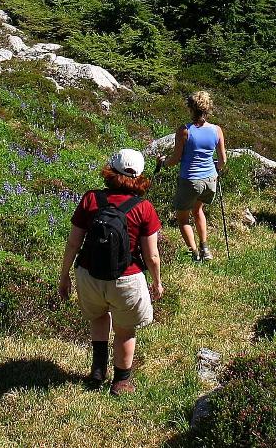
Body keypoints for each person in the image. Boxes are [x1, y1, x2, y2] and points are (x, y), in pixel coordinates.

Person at [59, 149, 164, 395]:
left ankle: (97, 371)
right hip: (126, 278)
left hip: (89, 274)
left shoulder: (91, 199)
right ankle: (121, 381)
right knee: (125, 329)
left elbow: (73, 243)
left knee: (98, 317)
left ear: (110, 170)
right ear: (138, 175)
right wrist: (157, 282)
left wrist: (64, 276)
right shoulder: (144, 208)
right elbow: (152, 256)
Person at [164, 90, 227, 261]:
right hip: (210, 180)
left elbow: (175, 159)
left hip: (190, 180)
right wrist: (214, 168)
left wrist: (163, 162)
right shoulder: (217, 130)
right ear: (207, 109)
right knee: (198, 210)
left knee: (182, 218)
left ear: (191, 108)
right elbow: (222, 161)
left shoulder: (185, 130)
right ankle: (205, 248)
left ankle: (194, 253)